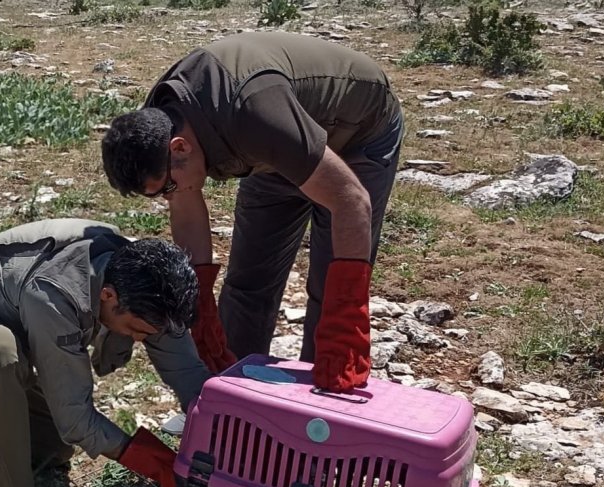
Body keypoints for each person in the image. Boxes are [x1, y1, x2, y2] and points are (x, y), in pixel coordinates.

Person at [101, 31, 403, 393]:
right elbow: (185, 207)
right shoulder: (162, 122)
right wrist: (201, 308)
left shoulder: (254, 111)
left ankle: (323, 403)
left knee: (332, 288)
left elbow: (351, 200)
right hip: (276, 150)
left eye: (166, 187)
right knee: (248, 281)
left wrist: (347, 316)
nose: (170, 197)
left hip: (358, 134)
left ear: (180, 148)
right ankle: (234, 392)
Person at [0, 218, 212, 487]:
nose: (141, 340)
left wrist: (222, 439)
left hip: (20, 323)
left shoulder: (146, 280)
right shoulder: (54, 295)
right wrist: (158, 466)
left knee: (51, 447)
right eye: (136, 331)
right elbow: (76, 420)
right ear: (108, 296)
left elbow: (188, 374)